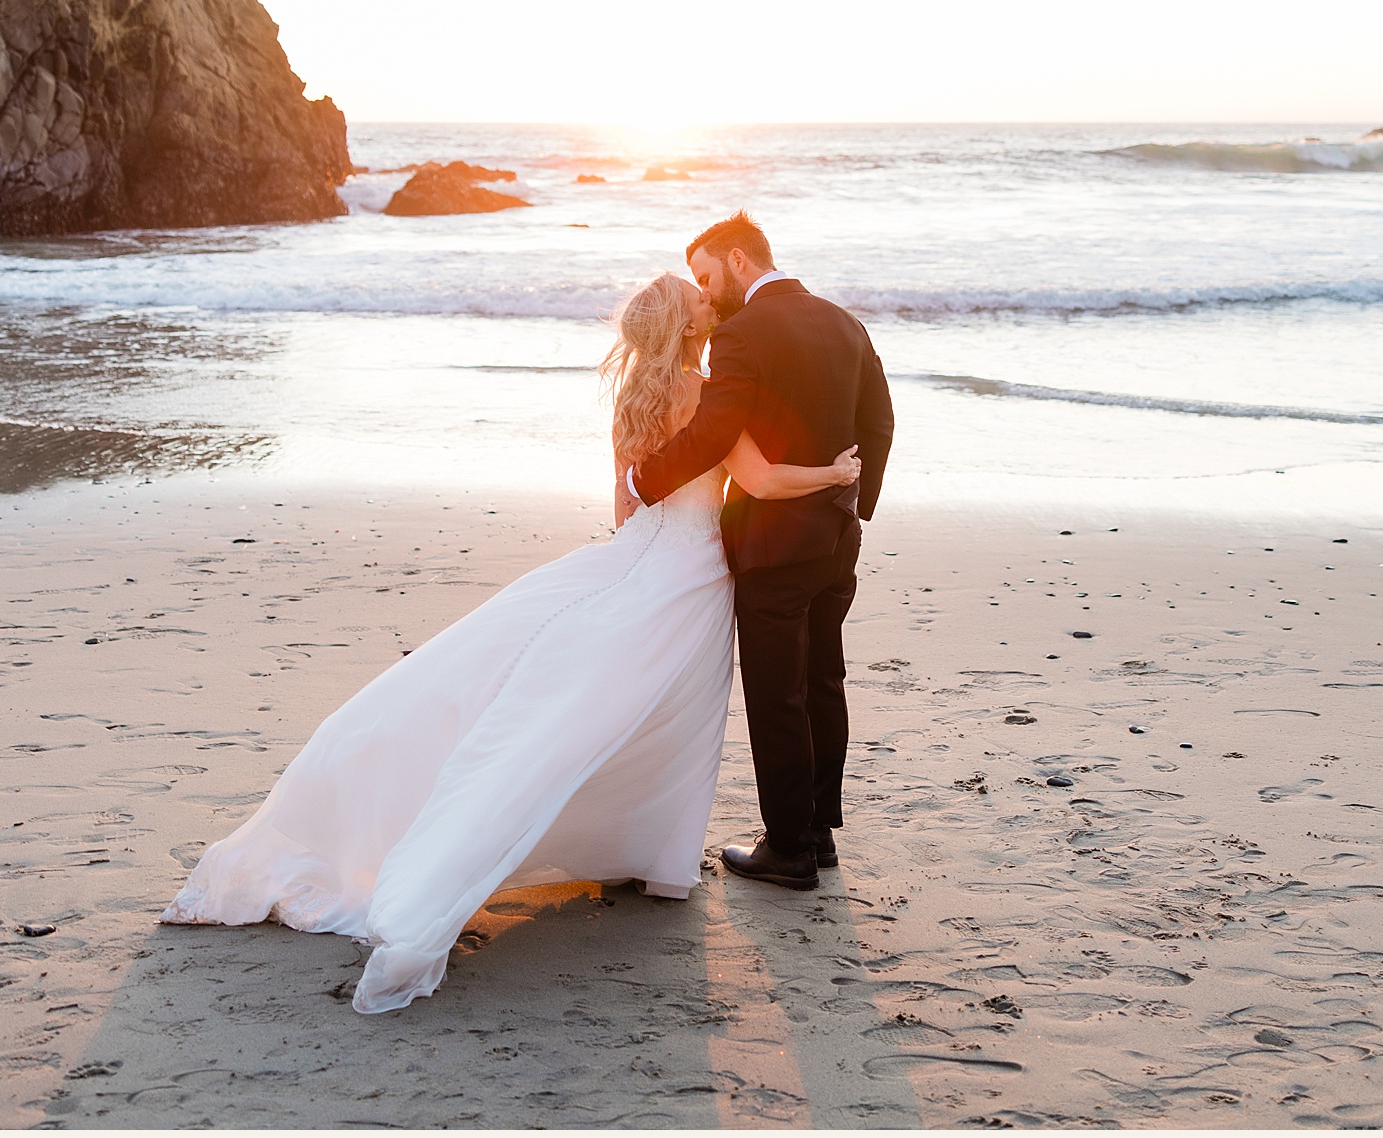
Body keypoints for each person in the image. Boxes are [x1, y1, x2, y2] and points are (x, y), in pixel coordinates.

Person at [159, 271, 860, 1015]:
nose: (710, 306)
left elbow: (624, 505)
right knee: (662, 715)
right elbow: (761, 479)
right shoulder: (709, 394)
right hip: (693, 574)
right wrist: (835, 470)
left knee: (589, 705)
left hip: (641, 557)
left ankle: (623, 852)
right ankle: (644, 858)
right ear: (688, 331)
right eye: (699, 304)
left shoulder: (634, 396)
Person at [620, 213, 895, 891]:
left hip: (775, 544)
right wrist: (852, 504)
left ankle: (788, 850)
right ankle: (818, 832)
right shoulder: (843, 322)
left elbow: (715, 431)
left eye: (709, 277)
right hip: (836, 539)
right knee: (824, 679)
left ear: (739, 259)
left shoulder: (743, 334)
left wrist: (640, 481)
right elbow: (879, 420)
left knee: (778, 696)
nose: (707, 296)